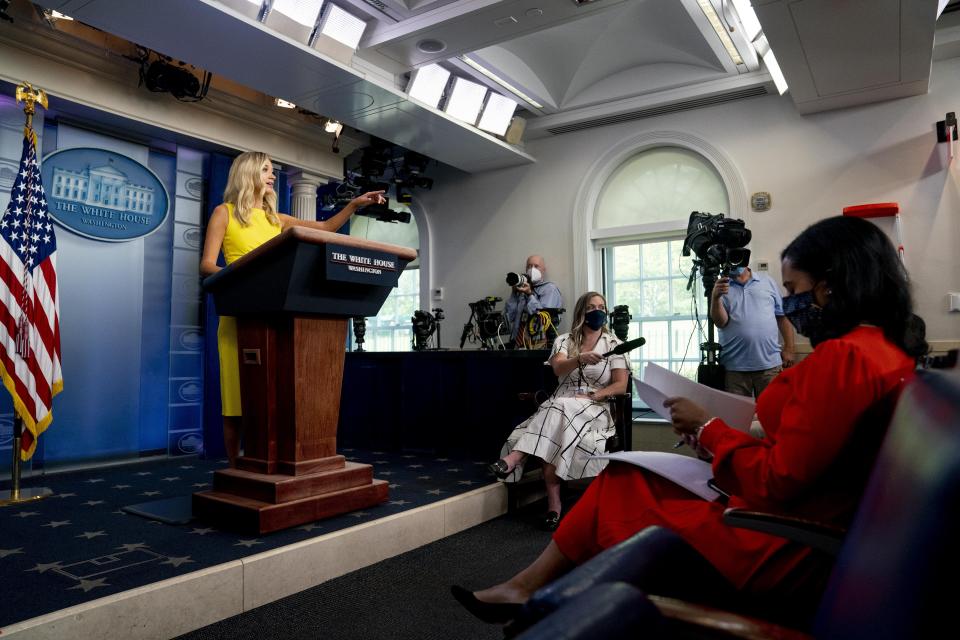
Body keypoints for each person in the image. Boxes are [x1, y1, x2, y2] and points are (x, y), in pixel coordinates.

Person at [453, 216, 925, 625]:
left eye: (795, 291)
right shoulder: (887, 353)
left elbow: (777, 479)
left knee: (623, 483)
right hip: (815, 520)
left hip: (779, 542)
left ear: (830, 283)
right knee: (628, 475)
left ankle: (557, 599)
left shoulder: (844, 358)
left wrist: (708, 428)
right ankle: (540, 591)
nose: (792, 305)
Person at [200, 151, 385, 467]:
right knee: (236, 401)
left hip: (273, 316)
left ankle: (270, 461)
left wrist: (354, 205)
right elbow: (206, 265)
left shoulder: (278, 219)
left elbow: (325, 227)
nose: (273, 176)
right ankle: (235, 470)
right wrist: (241, 277)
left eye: (273, 171)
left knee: (270, 397)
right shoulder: (224, 213)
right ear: (248, 174)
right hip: (239, 316)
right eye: (267, 170)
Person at [488, 291, 630, 531]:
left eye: (602, 307)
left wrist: (595, 395)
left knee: (558, 410)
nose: (599, 311)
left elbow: (620, 385)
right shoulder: (564, 341)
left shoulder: (615, 344)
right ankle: (554, 505)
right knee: (558, 419)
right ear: (581, 312)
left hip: (595, 407)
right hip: (559, 405)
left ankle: (516, 459)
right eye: (592, 306)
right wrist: (581, 358)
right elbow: (558, 368)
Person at [710, 264, 796, 398]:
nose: (733, 263)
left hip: (769, 365)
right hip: (734, 368)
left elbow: (782, 316)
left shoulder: (767, 281)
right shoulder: (721, 286)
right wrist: (715, 297)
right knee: (737, 416)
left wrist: (789, 348)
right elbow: (721, 322)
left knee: (773, 415)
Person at [504, 255, 563, 344]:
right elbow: (509, 318)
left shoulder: (550, 289)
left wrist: (530, 294)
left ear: (543, 270)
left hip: (539, 344)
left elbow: (543, 319)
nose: (532, 269)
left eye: (536, 266)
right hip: (517, 343)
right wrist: (514, 294)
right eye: (529, 266)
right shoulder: (522, 289)